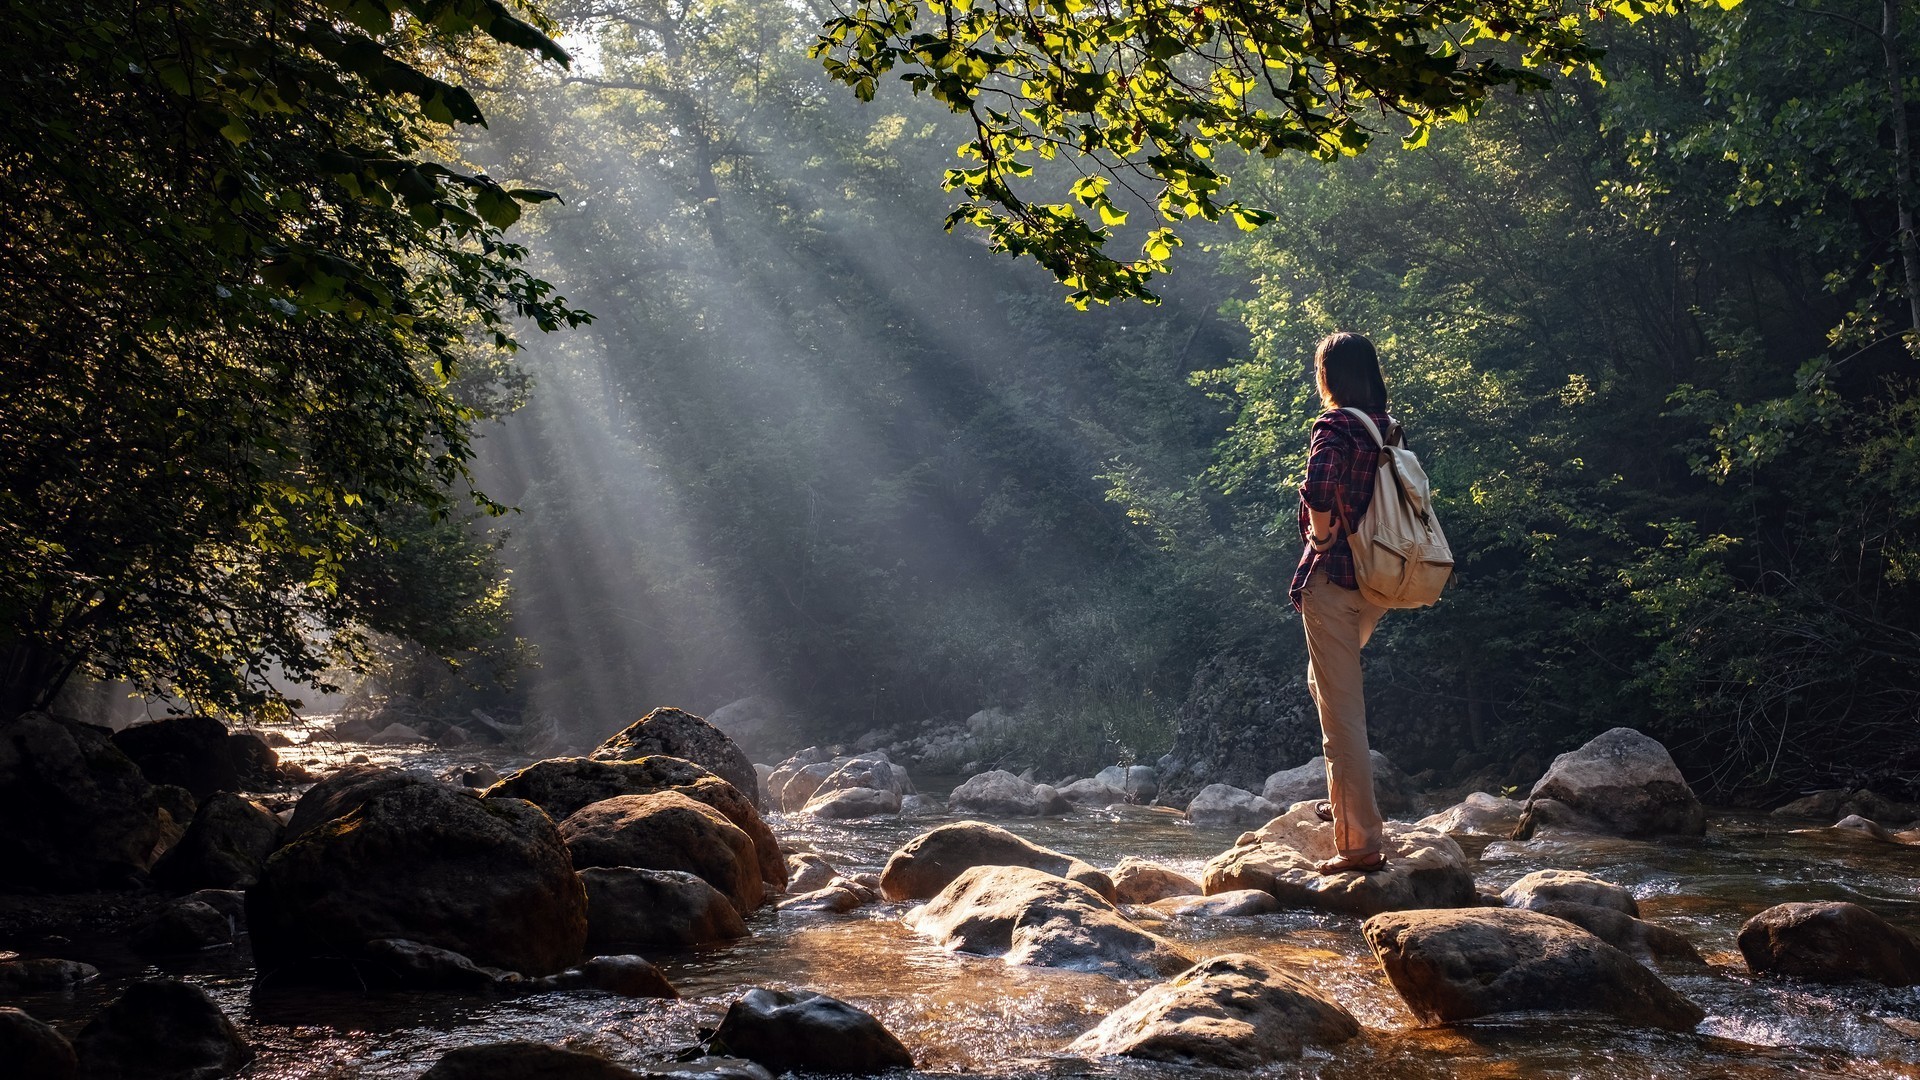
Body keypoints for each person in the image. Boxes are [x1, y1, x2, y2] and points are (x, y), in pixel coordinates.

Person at [1289, 331, 1393, 875]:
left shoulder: (1335, 425)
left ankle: (1358, 846)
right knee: (1323, 685)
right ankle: (1348, 801)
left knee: (1341, 719)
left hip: (1332, 578)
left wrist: (1324, 536)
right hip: (1375, 582)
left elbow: (1318, 483)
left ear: (1329, 376)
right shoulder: (1386, 429)